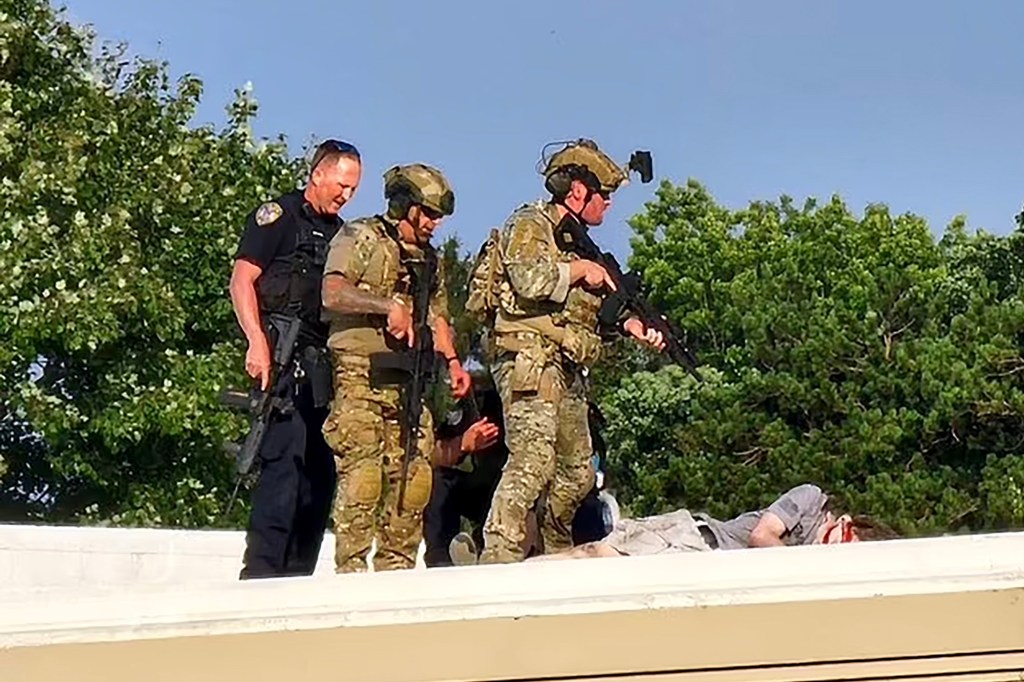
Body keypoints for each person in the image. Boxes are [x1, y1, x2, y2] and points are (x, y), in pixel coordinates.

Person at [468, 138, 666, 564]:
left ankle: (554, 553)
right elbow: (529, 282)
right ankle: (497, 555)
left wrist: (633, 325)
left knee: (578, 474)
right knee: (533, 458)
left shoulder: (579, 242)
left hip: (566, 365)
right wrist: (581, 270)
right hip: (528, 356)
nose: (608, 206)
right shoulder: (531, 223)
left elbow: (588, 317)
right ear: (577, 190)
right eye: (605, 195)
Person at [320, 162, 472, 573]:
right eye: (430, 214)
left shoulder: (430, 261)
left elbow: (439, 319)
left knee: (413, 481)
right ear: (406, 206)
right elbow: (332, 293)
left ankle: (397, 576)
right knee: (364, 478)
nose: (435, 224)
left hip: (409, 380)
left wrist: (454, 364)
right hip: (361, 374)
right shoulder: (362, 236)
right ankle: (350, 573)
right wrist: (387, 306)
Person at [229, 139, 363, 579]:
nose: (346, 195)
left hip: (325, 371)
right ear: (319, 174)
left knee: (320, 480)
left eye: (353, 189)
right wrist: (255, 342)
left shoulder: (346, 237)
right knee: (283, 472)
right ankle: (261, 576)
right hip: (282, 362)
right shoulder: (278, 218)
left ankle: (297, 578)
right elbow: (243, 280)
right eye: (342, 184)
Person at [531, 484, 900, 560]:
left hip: (700, 562)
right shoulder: (810, 499)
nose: (835, 547)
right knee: (592, 559)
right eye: (846, 538)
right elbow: (761, 536)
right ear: (846, 521)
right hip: (695, 539)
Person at [422, 379, 505, 568]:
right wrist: (462, 444)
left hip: (506, 489)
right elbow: (428, 456)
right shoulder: (450, 397)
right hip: (474, 487)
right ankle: (440, 560)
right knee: (437, 481)